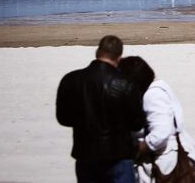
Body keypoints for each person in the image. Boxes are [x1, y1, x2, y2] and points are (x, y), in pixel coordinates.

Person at [56, 35, 144, 183]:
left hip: (85, 153)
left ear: (97, 53)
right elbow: (137, 123)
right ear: (118, 57)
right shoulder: (125, 84)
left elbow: (63, 118)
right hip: (118, 155)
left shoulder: (71, 80)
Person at [118, 56, 195, 182]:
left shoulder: (152, 95)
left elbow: (161, 133)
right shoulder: (158, 89)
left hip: (164, 160)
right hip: (168, 155)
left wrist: (139, 149)